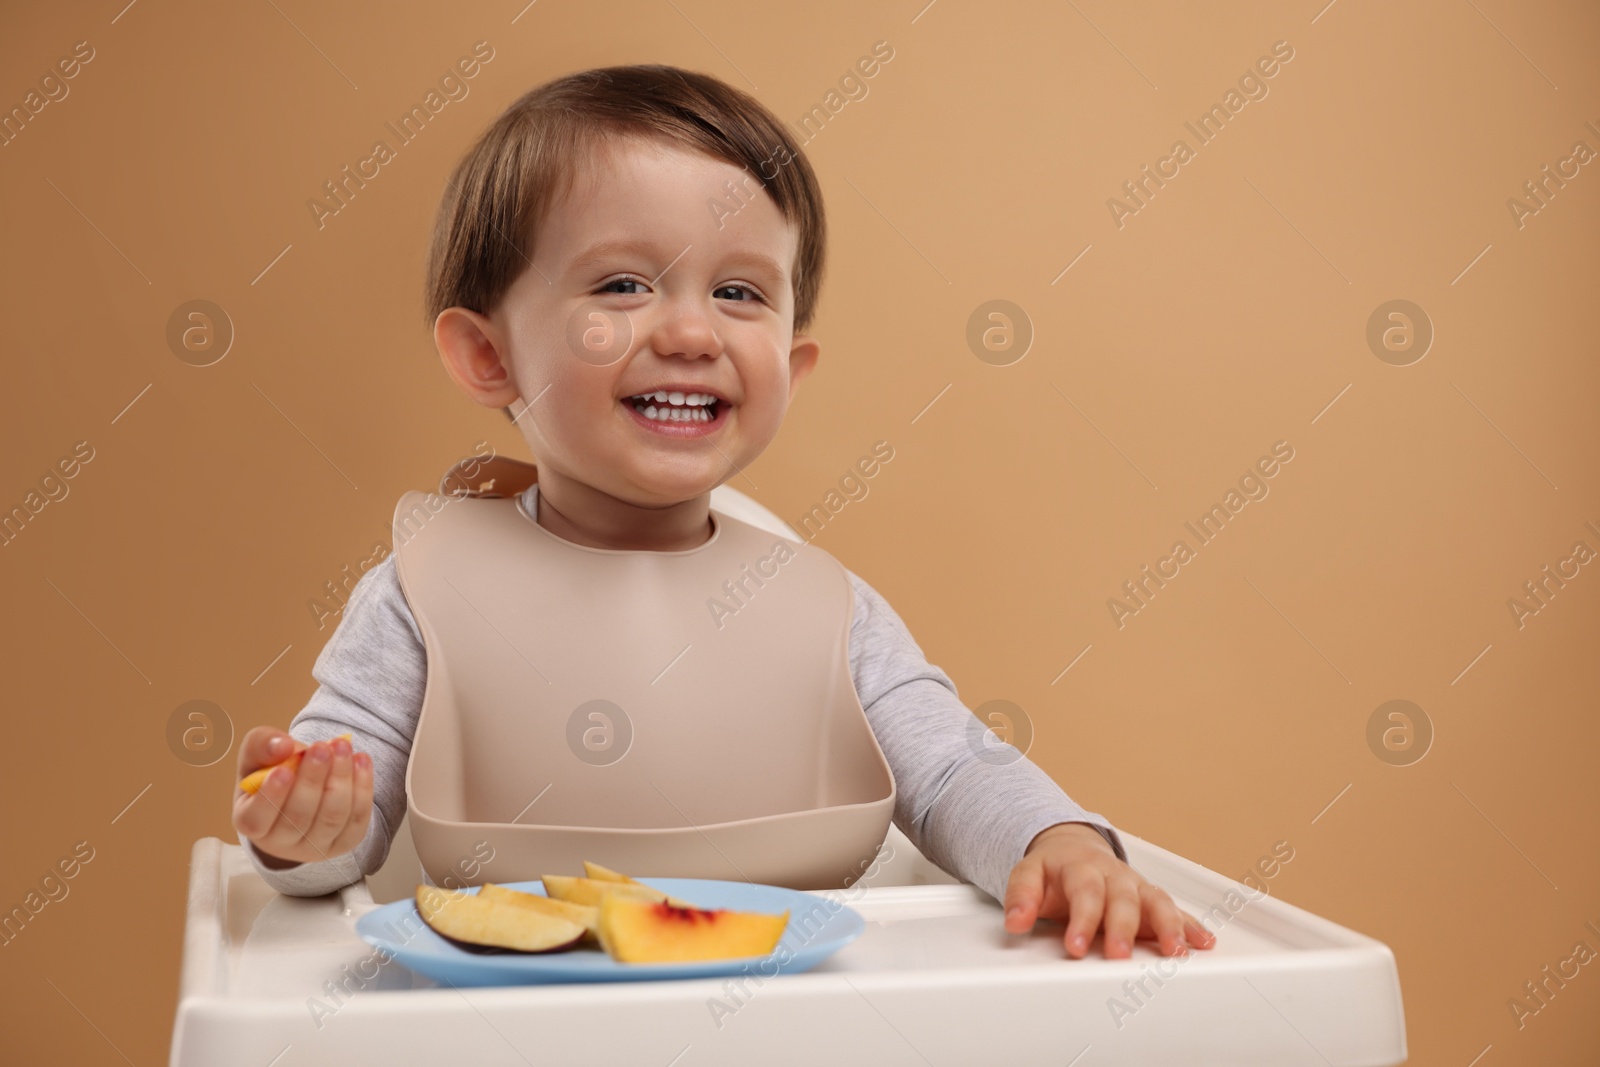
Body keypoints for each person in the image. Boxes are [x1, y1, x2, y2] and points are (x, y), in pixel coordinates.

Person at [230, 63, 1215, 962]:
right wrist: (303, 829)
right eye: (622, 284)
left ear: (789, 369)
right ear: (490, 355)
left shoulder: (825, 610)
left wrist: (1064, 843)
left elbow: (955, 770)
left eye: (739, 291)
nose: (693, 331)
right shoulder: (423, 592)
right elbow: (333, 843)